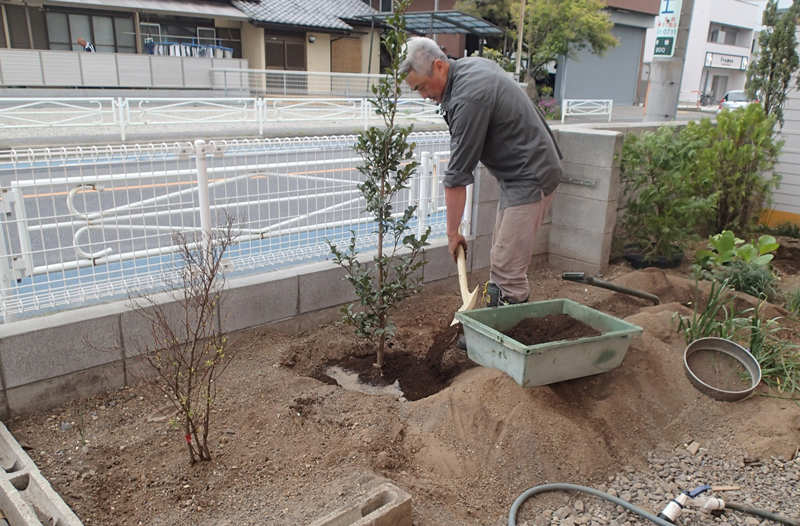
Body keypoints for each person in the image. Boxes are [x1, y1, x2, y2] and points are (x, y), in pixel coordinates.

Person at [399, 38, 563, 348]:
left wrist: (452, 233)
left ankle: (506, 339)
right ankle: (502, 321)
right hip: (519, 175)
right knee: (503, 255)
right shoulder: (470, 69)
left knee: (507, 264)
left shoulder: (468, 97)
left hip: (530, 176)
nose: (424, 95)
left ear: (439, 66)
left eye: (423, 86)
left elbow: (457, 176)